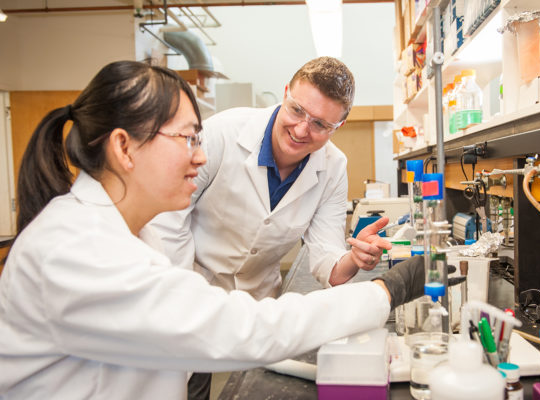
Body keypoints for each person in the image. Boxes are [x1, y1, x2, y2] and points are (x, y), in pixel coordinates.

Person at [0, 60, 430, 400]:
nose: (202, 157)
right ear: (124, 148)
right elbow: (240, 328)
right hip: (209, 304)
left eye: (197, 139)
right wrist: (383, 292)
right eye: (188, 138)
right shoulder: (79, 251)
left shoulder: (112, 231)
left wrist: (352, 265)